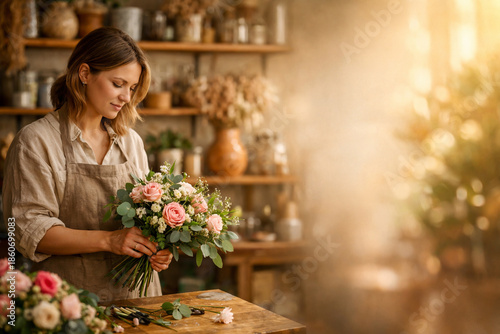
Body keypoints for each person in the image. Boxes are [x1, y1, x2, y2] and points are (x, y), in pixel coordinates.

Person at [2, 27, 172, 302]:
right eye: (118, 84)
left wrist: (159, 246)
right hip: (68, 304)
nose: (127, 97)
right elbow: (28, 231)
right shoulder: (35, 142)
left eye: (131, 88)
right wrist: (109, 240)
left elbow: (146, 217)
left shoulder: (131, 142)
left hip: (137, 301)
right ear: (84, 74)